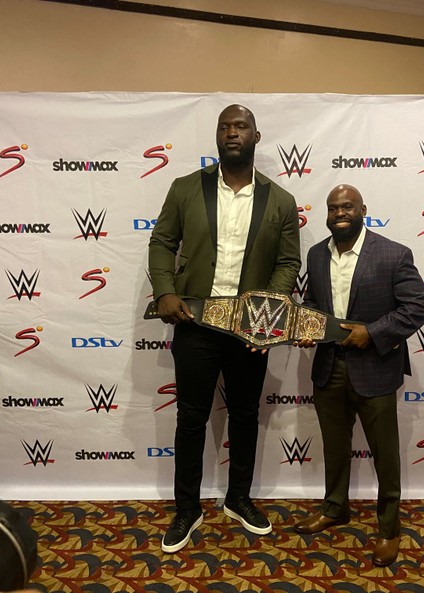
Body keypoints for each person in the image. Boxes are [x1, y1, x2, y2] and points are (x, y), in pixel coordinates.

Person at [148, 104, 301, 553]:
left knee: (246, 415)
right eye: (225, 126)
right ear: (217, 136)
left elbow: (287, 263)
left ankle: (238, 499)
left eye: (241, 126)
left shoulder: (281, 201)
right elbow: (161, 243)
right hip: (194, 322)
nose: (233, 132)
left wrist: (266, 315)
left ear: (256, 136)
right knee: (191, 418)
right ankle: (187, 508)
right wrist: (164, 292)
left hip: (250, 330)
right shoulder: (184, 189)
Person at [293, 184, 424, 567]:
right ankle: (335, 508)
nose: (340, 212)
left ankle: (389, 528)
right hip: (327, 368)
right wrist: (308, 325)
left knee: (385, 455)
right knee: (334, 448)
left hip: (376, 369)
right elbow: (313, 304)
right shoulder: (316, 254)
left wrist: (371, 333)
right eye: (333, 207)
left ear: (363, 209)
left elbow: (418, 307)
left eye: (347, 206)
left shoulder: (393, 253)